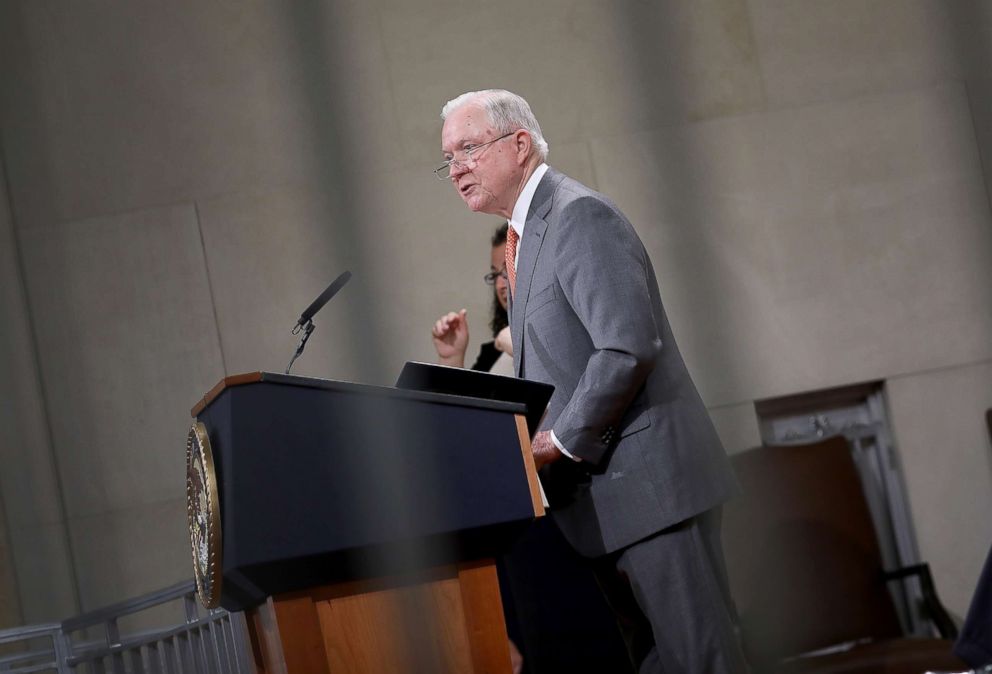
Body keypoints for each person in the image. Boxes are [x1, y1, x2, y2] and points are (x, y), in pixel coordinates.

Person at [436, 89, 748, 674]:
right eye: (448, 157)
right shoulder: (519, 239)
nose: (456, 169)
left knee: (702, 660)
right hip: (605, 504)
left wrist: (556, 441)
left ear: (519, 144)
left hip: (653, 490)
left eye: (469, 150)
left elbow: (627, 346)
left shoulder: (578, 215)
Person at [431, 225, 632, 674]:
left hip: (572, 514)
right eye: (494, 275)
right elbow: (463, 444)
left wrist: (515, 339)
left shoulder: (563, 338)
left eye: (508, 268)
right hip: (516, 529)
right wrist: (454, 362)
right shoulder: (489, 355)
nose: (502, 282)